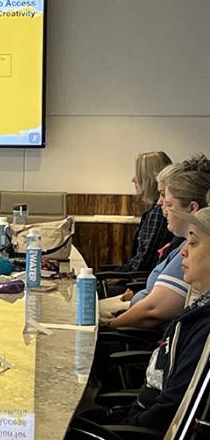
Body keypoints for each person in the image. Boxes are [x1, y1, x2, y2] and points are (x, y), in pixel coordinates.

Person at [81, 204, 210, 432]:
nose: (183, 251)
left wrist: (122, 425)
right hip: (134, 414)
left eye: (193, 242)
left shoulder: (204, 329)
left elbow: (168, 413)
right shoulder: (195, 312)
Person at [100, 155, 210, 329]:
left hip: (139, 334)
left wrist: (108, 326)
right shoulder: (184, 243)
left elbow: (153, 310)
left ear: (192, 209)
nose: (161, 206)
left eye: (169, 203)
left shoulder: (196, 252)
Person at [117, 151, 175, 273]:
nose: (133, 179)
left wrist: (115, 276)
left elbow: (144, 264)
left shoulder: (159, 214)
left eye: (138, 175)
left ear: (149, 179)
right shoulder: (156, 211)